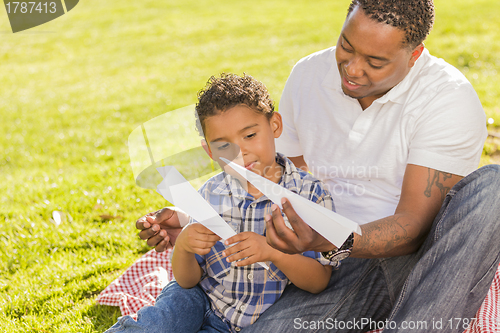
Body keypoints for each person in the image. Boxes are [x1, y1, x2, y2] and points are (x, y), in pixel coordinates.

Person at [137, 1, 500, 332]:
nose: (353, 69)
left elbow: (413, 229)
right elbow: (273, 180)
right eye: (347, 46)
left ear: (415, 54)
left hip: (390, 256)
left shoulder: (447, 98)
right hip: (311, 258)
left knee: (493, 187)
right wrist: (195, 217)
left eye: (375, 62)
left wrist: (331, 239)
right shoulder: (309, 75)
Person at [107, 73, 336, 333]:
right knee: (159, 323)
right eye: (225, 146)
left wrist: (273, 252)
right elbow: (187, 280)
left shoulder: (309, 195)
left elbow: (319, 281)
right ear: (210, 152)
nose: (240, 153)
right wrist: (182, 246)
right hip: (197, 299)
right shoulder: (210, 193)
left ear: (274, 126)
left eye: (250, 136)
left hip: (258, 319)